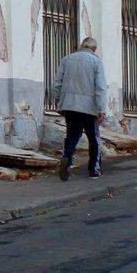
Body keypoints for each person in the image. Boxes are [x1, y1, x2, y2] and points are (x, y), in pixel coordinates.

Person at [51, 36, 108, 180]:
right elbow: (100, 87)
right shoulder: (96, 61)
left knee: (72, 135)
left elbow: (57, 83)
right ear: (94, 49)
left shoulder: (67, 59)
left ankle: (66, 158)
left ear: (81, 46)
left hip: (69, 106)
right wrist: (101, 109)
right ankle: (94, 170)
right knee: (93, 139)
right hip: (89, 108)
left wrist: (59, 99)